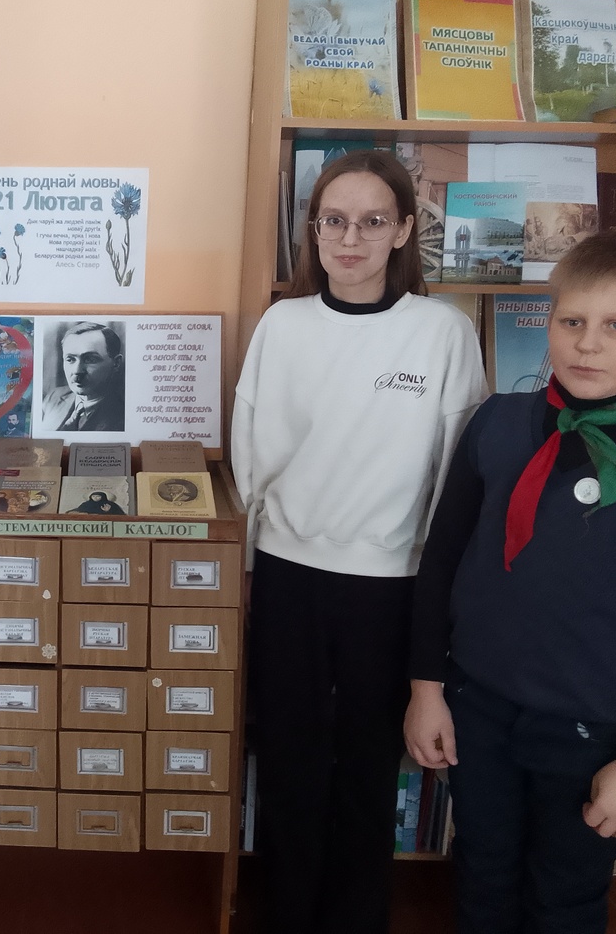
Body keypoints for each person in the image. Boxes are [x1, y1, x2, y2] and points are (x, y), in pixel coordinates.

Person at [230, 149, 486, 934]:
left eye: (372, 221)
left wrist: (436, 587)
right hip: (288, 574)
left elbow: (457, 475)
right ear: (313, 228)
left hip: (393, 585)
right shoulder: (283, 324)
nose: (350, 238)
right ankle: (286, 913)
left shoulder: (442, 332)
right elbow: (251, 456)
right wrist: (251, 564)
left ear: (403, 229)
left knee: (370, 767)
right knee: (290, 760)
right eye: (334, 220)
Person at [405, 228, 616, 934]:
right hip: (479, 706)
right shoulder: (498, 422)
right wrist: (427, 688)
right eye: (572, 321)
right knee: (483, 870)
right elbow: (443, 559)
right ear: (548, 322)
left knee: (565, 895)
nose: (588, 344)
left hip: (598, 728)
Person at [39, 321, 126, 431]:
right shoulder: (54, 397)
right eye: (70, 359)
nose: (77, 371)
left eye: (90, 359)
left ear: (116, 363)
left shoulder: (124, 413)